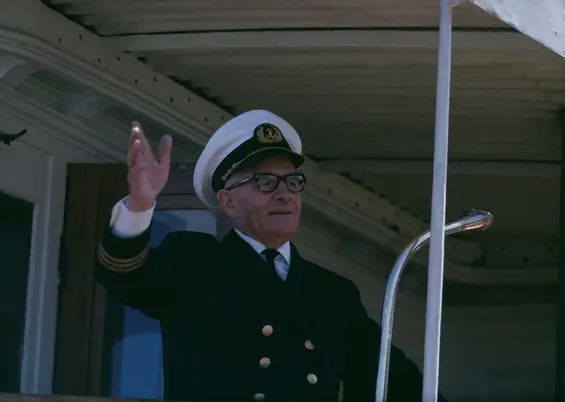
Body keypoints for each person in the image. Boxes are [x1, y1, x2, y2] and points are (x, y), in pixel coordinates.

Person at [95, 110, 448, 402]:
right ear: (228, 201)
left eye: (293, 182)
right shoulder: (194, 262)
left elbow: (392, 380)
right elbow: (123, 273)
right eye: (266, 182)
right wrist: (139, 207)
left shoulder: (333, 294)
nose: (284, 195)